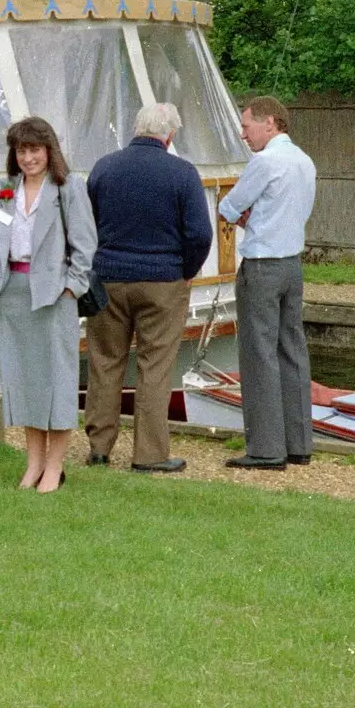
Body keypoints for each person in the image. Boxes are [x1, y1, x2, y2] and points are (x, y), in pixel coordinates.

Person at [84, 104, 215, 473]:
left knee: (105, 363)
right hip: (162, 280)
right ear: (170, 136)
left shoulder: (104, 167)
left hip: (108, 278)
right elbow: (200, 234)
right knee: (154, 367)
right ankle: (150, 453)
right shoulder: (183, 173)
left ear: (135, 128)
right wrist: (185, 270)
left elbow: (87, 223)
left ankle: (98, 448)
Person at [0, 118, 96, 493]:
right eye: (21, 150)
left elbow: (85, 246)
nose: (28, 158)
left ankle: (55, 468)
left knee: (57, 383)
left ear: (49, 150)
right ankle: (33, 464)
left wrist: (71, 289)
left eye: (34, 150)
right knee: (26, 382)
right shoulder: (3, 189)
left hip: (52, 296)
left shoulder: (68, 187)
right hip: (11, 296)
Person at [217, 96, 318, 470]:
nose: (243, 135)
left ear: (270, 123)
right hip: (292, 264)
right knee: (292, 351)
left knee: (259, 355)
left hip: (261, 266)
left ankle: (265, 448)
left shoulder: (264, 162)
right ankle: (298, 443)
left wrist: (248, 216)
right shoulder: (305, 161)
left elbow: (229, 207)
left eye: (247, 127)